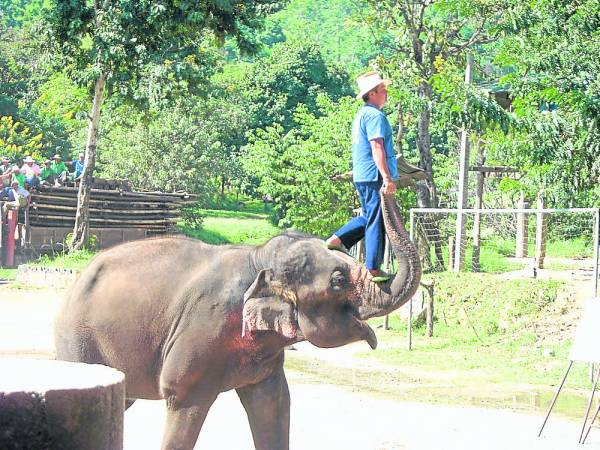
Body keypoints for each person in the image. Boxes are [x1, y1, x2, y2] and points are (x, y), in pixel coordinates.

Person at [326, 71, 398, 283]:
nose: (386, 94)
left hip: (362, 174)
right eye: (383, 90)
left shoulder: (361, 115)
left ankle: (338, 238)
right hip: (373, 174)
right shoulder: (375, 116)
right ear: (373, 93)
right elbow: (377, 147)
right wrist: (387, 177)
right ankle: (373, 268)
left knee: (370, 215)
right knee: (377, 218)